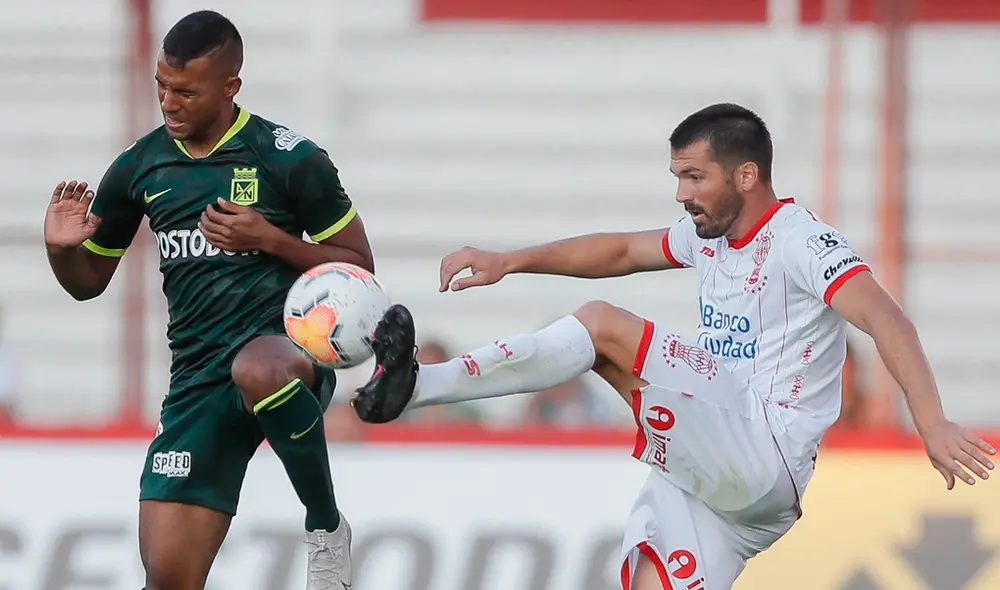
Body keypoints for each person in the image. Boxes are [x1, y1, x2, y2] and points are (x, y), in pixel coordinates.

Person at [351, 103, 996, 589]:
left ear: (747, 175)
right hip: (728, 489)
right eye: (677, 177)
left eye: (694, 176)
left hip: (761, 446)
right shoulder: (707, 234)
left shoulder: (802, 241)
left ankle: (420, 385)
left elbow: (888, 319)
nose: (682, 194)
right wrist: (511, 260)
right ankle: (416, 386)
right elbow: (622, 250)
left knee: (603, 326)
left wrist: (931, 422)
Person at [43, 11, 368, 590]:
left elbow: (359, 264)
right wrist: (61, 250)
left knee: (259, 367)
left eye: (186, 91)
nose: (169, 103)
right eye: (162, 87)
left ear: (229, 87)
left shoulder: (287, 157)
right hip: (197, 382)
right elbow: (88, 283)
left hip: (289, 357)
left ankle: (325, 528)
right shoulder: (141, 166)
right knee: (167, 577)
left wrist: (269, 239)